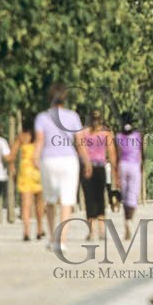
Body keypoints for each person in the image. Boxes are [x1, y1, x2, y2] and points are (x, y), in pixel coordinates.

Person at [36, 83, 88, 252]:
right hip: (68, 161)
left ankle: (52, 237)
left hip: (48, 160)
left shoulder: (42, 118)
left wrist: (35, 158)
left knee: (50, 200)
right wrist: (87, 161)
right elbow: (80, 143)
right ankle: (62, 241)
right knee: (67, 201)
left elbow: (39, 142)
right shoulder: (73, 117)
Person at [78, 112, 115, 241]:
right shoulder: (106, 133)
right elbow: (111, 152)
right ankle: (100, 231)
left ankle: (94, 231)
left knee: (91, 199)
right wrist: (115, 169)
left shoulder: (85, 133)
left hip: (89, 167)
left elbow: (80, 149)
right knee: (98, 198)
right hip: (98, 167)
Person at [12, 119, 44, 241]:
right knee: (39, 203)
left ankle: (26, 231)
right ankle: (40, 229)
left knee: (26, 204)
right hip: (38, 169)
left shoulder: (21, 137)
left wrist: (12, 168)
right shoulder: (41, 136)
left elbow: (12, 155)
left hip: (25, 171)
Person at [114, 115, 145, 240]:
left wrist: (116, 172)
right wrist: (142, 167)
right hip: (134, 166)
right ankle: (130, 220)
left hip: (123, 166)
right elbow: (142, 153)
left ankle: (126, 221)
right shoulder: (138, 136)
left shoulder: (118, 136)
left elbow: (117, 155)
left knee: (125, 196)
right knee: (133, 196)